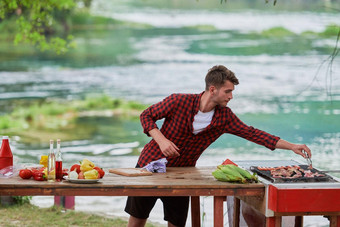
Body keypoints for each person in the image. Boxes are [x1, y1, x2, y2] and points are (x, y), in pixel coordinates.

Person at [125, 65, 312, 227]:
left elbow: (253, 133)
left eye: (232, 92)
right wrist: (161, 140)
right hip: (148, 167)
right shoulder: (178, 101)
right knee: (137, 219)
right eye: (228, 91)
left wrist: (292, 146)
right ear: (213, 89)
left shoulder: (224, 117)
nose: (231, 96)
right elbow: (146, 115)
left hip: (182, 174)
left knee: (176, 222)